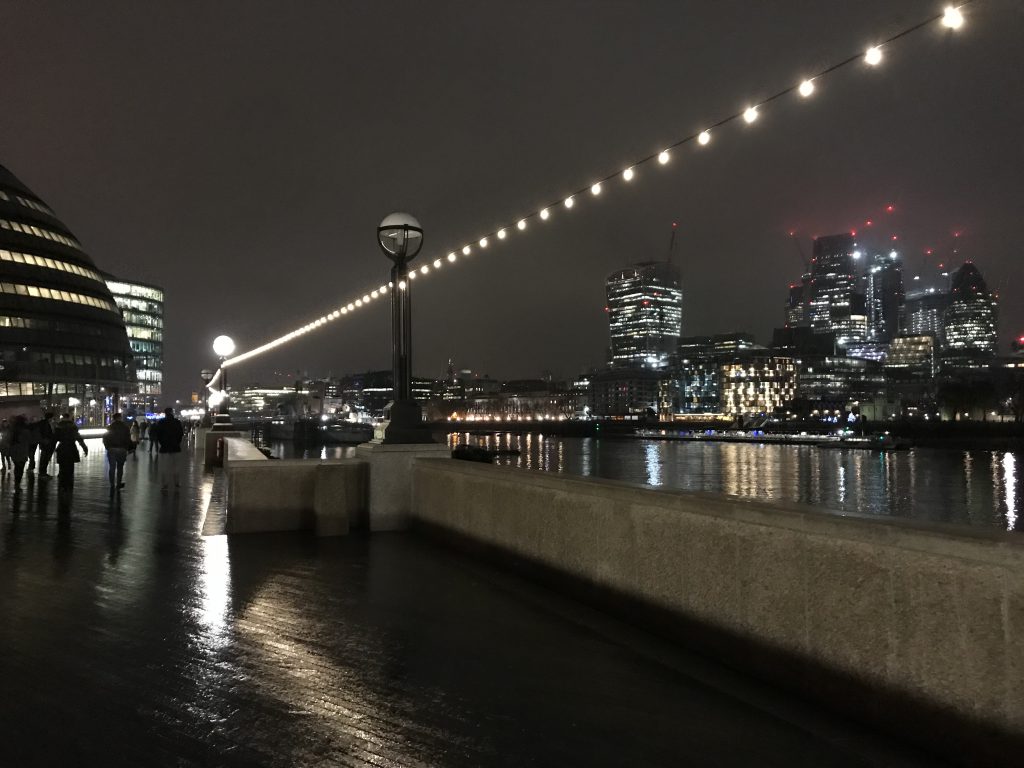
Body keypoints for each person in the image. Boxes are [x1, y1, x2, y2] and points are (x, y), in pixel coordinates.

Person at [152, 407, 185, 492]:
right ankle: (177, 482)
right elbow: (180, 434)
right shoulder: (177, 422)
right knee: (176, 466)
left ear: (165, 413)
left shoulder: (161, 422)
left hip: (164, 448)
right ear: (172, 412)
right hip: (175, 447)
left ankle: (164, 484)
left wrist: (162, 443)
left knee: (164, 467)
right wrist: (177, 442)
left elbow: (158, 435)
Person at [54, 413, 88, 491]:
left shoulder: (59, 426)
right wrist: (84, 447)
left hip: (62, 448)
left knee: (62, 467)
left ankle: (62, 484)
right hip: (71, 448)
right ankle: (69, 484)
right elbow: (78, 437)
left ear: (63, 417)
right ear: (69, 417)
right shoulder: (73, 426)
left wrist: (51, 448)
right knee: (70, 467)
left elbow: (55, 438)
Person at [103, 413, 132, 490]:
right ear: (120, 418)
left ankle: (112, 484)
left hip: (112, 449)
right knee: (120, 467)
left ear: (113, 418)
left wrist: (107, 447)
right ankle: (118, 483)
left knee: (112, 467)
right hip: (122, 449)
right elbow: (128, 439)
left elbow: (105, 438)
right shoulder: (125, 427)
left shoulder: (110, 427)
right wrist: (127, 448)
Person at [10, 415, 33, 488]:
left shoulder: (12, 430)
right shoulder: (26, 431)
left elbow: (8, 440)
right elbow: (30, 441)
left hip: (14, 451)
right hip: (22, 451)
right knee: (20, 468)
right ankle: (18, 483)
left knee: (16, 467)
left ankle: (16, 483)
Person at [35, 412, 56, 477]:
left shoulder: (44, 423)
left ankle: (43, 472)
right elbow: (46, 433)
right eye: (52, 417)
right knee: (45, 459)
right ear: (50, 418)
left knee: (44, 458)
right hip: (47, 443)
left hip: (46, 443)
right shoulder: (46, 424)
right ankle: (42, 473)